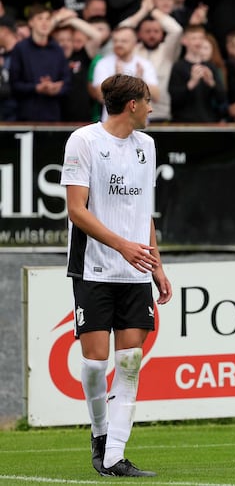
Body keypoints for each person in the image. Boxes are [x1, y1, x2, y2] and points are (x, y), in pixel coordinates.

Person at [60, 73, 172, 477]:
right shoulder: (84, 141)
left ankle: (115, 456)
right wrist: (122, 245)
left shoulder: (148, 146)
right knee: (94, 365)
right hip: (92, 267)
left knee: (129, 363)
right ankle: (99, 432)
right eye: (148, 102)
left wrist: (156, 264)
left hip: (135, 272)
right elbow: (76, 210)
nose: (151, 109)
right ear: (132, 106)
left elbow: (145, 211)